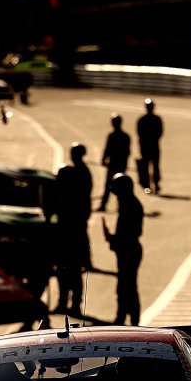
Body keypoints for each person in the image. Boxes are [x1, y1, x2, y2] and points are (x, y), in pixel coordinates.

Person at [53, 142, 94, 314]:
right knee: (64, 270)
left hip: (74, 230)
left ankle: (74, 303)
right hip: (69, 231)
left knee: (73, 270)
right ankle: (64, 301)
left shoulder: (79, 174)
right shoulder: (77, 173)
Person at [101, 174, 143, 325]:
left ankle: (130, 319)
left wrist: (113, 239)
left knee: (127, 286)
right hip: (127, 249)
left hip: (129, 251)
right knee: (125, 286)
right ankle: (124, 317)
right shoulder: (128, 204)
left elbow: (131, 233)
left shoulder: (130, 206)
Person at [98, 113, 131, 212]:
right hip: (120, 164)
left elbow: (107, 149)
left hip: (113, 164)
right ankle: (120, 205)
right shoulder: (126, 136)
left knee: (109, 185)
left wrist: (104, 159)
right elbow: (127, 152)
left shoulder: (112, 136)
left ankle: (104, 205)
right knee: (120, 186)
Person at [136, 98, 163, 194]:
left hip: (148, 146)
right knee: (152, 166)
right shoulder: (154, 119)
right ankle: (151, 184)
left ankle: (153, 184)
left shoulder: (143, 120)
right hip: (151, 146)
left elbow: (159, 132)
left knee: (152, 166)